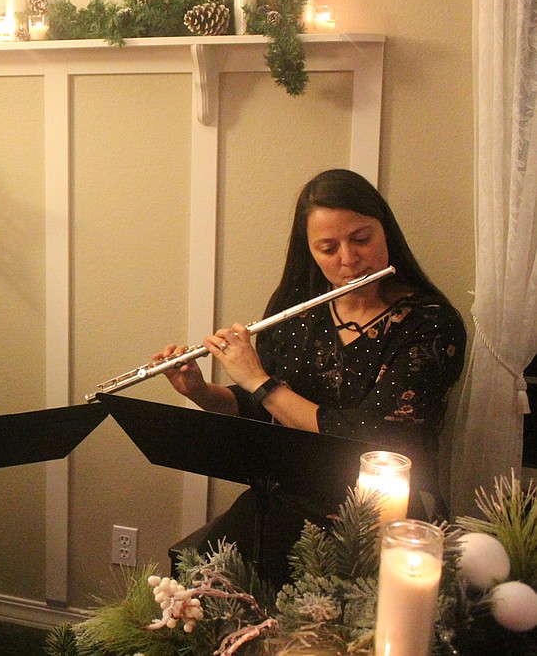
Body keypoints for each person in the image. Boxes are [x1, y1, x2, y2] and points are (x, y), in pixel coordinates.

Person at [155, 169, 466, 586]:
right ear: (310, 252)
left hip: (377, 524)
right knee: (197, 592)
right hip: (284, 502)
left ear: (385, 231)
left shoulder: (431, 324)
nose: (349, 260)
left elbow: (367, 437)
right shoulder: (297, 309)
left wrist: (260, 381)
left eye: (361, 239)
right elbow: (261, 409)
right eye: (328, 247)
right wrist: (202, 392)